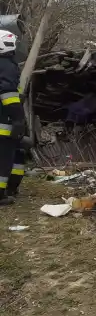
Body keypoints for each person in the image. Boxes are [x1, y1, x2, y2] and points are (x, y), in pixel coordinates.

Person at [0, 30, 25, 206]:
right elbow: (8, 93)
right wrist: (18, 118)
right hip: (4, 120)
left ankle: (10, 188)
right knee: (5, 157)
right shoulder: (6, 65)